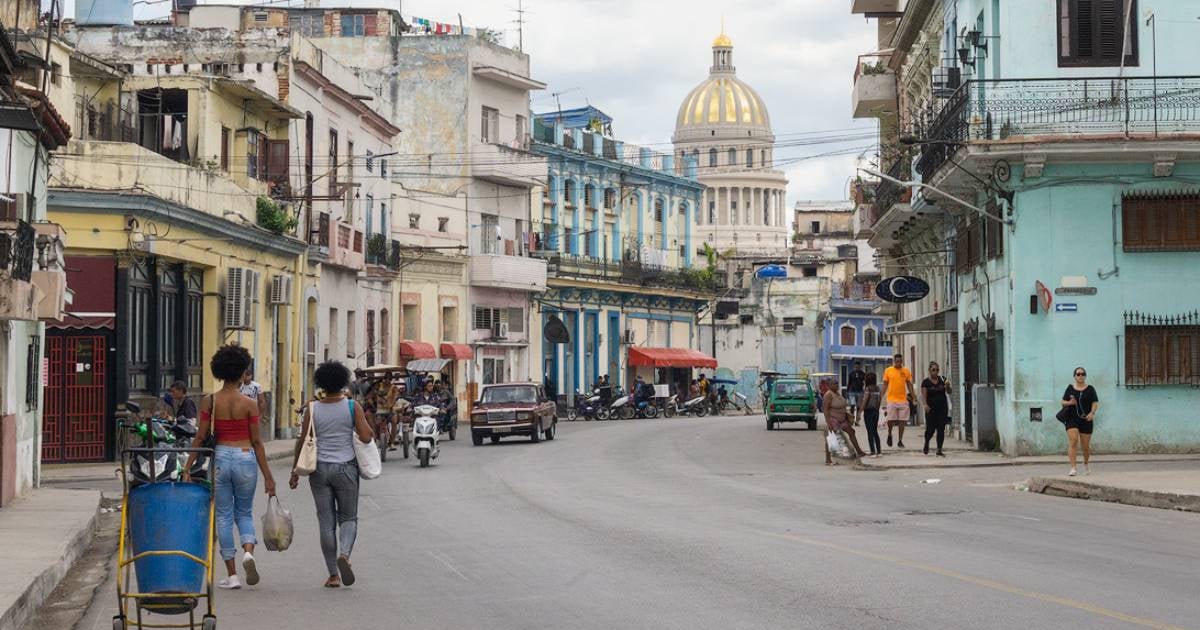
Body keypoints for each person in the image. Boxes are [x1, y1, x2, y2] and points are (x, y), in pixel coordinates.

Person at [184, 345, 276, 590]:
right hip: (246, 457)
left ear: (219, 371)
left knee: (223, 516)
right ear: (241, 371)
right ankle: (248, 552)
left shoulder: (209, 401)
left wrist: (187, 466)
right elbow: (257, 441)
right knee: (244, 513)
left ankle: (232, 575)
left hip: (222, 458)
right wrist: (268, 476)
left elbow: (200, 437)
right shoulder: (250, 404)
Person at [289, 361, 374, 588]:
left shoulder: (313, 409)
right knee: (348, 518)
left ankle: (333, 574)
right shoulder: (351, 406)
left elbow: (302, 440)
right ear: (343, 383)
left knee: (326, 522)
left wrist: (295, 471)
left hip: (319, 469)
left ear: (321, 384)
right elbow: (366, 437)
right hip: (346, 468)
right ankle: (344, 555)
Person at [1061, 367, 1099, 476]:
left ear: (1085, 376)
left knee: (1085, 445)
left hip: (1086, 419)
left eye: (1083, 374)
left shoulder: (1090, 389)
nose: (1080, 376)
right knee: (1073, 441)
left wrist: (1092, 413)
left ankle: (1086, 464)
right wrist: (1070, 403)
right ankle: (1073, 468)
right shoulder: (1070, 388)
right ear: (1074, 376)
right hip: (1072, 418)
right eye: (1078, 374)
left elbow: (1095, 402)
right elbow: (1062, 402)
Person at [822, 380, 866, 465]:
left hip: (843, 419)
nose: (836, 385)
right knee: (831, 438)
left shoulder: (838, 394)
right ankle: (828, 459)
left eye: (837, 384)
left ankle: (859, 451)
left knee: (852, 432)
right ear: (829, 385)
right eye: (834, 384)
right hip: (833, 419)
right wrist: (828, 423)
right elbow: (825, 410)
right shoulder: (828, 395)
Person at [882, 353, 916, 449]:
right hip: (891, 400)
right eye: (897, 361)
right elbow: (885, 384)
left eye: (900, 361)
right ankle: (889, 434)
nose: (898, 363)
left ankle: (900, 440)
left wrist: (913, 396)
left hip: (902, 400)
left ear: (902, 361)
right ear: (894, 361)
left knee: (902, 421)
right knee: (891, 420)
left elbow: (909, 385)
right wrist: (881, 396)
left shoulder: (906, 371)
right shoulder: (888, 371)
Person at [921, 361, 952, 457]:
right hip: (931, 409)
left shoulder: (943, 379)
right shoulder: (926, 382)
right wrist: (925, 405)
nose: (936, 372)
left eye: (937, 370)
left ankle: (939, 449)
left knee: (941, 429)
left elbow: (949, 392)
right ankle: (927, 442)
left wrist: (947, 386)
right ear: (929, 370)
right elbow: (923, 395)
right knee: (931, 429)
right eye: (933, 370)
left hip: (942, 408)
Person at [862, 372, 882, 457]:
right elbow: (879, 400)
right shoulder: (877, 388)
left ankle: (872, 451)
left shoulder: (867, 389)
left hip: (868, 411)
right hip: (875, 411)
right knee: (875, 431)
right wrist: (877, 409)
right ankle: (879, 451)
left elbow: (865, 400)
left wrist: (860, 411)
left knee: (869, 432)